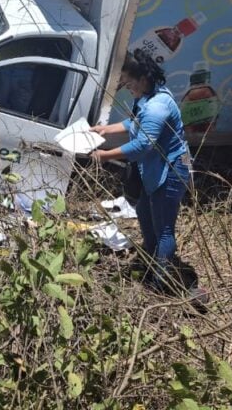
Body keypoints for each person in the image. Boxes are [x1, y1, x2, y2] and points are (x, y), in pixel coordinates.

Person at [89, 49, 192, 292]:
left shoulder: (157, 107)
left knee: (164, 228)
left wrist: (104, 155)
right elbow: (135, 122)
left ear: (143, 79)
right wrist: (106, 130)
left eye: (129, 81)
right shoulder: (147, 96)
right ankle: (151, 257)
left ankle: (161, 281)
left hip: (172, 171)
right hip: (156, 169)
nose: (126, 86)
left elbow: (142, 145)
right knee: (145, 212)